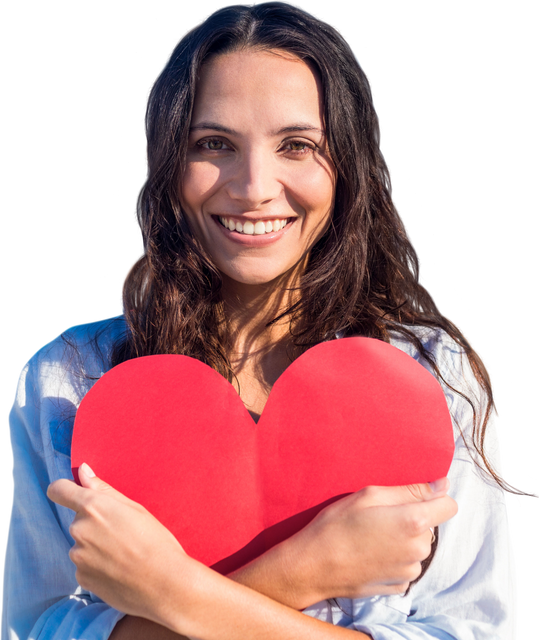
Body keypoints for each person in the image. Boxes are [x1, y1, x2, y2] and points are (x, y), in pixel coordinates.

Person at [2, 1, 519, 638]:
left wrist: (169, 593)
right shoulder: (64, 382)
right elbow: (35, 628)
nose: (253, 187)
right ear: (166, 165)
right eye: (213, 144)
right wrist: (307, 570)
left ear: (348, 169)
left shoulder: (433, 379)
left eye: (297, 145)